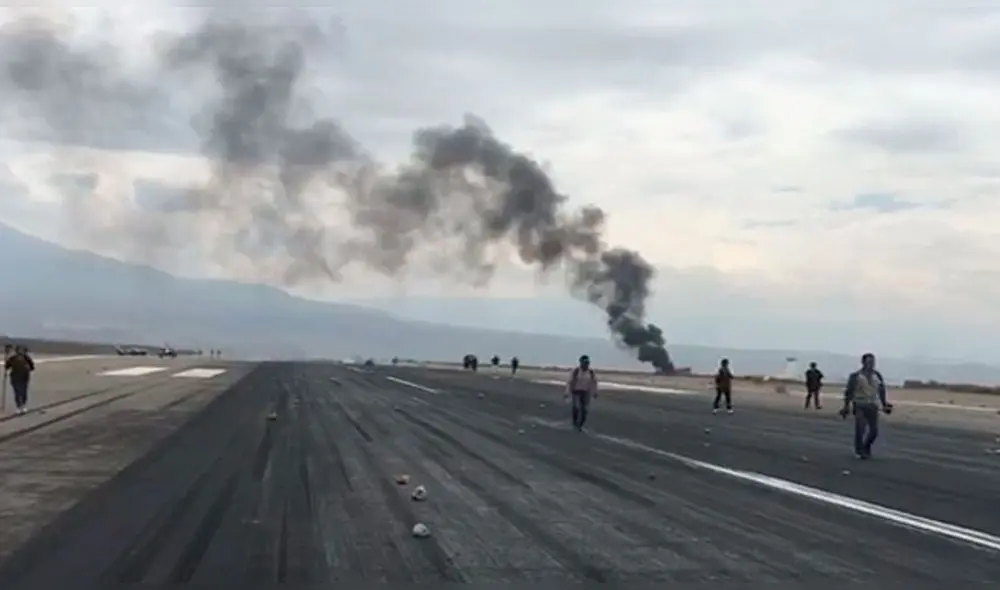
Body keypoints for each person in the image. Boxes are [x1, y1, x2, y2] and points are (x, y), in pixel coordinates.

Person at [840, 353, 894, 459]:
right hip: (859, 404)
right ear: (863, 362)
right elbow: (849, 392)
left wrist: (884, 404)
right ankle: (859, 450)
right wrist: (846, 406)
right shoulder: (855, 376)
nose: (871, 364)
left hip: (872, 404)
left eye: (873, 362)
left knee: (874, 431)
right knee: (860, 428)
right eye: (869, 361)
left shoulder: (877, 376)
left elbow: (881, 390)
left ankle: (866, 447)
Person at [565, 355, 598, 432]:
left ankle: (580, 425)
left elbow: (594, 382)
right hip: (576, 391)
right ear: (581, 363)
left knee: (585, 410)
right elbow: (570, 382)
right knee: (576, 407)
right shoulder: (576, 371)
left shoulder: (591, 372)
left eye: (587, 363)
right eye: (584, 363)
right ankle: (575, 423)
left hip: (586, 392)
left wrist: (595, 392)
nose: (586, 365)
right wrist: (567, 392)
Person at [5, 345, 35, 415]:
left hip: (24, 378)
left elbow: (32, 367)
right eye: (19, 350)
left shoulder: (27, 358)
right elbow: (7, 366)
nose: (20, 352)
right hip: (15, 378)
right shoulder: (12, 358)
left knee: (23, 392)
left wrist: (28, 368)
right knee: (18, 392)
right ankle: (19, 406)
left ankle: (23, 406)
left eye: (22, 350)